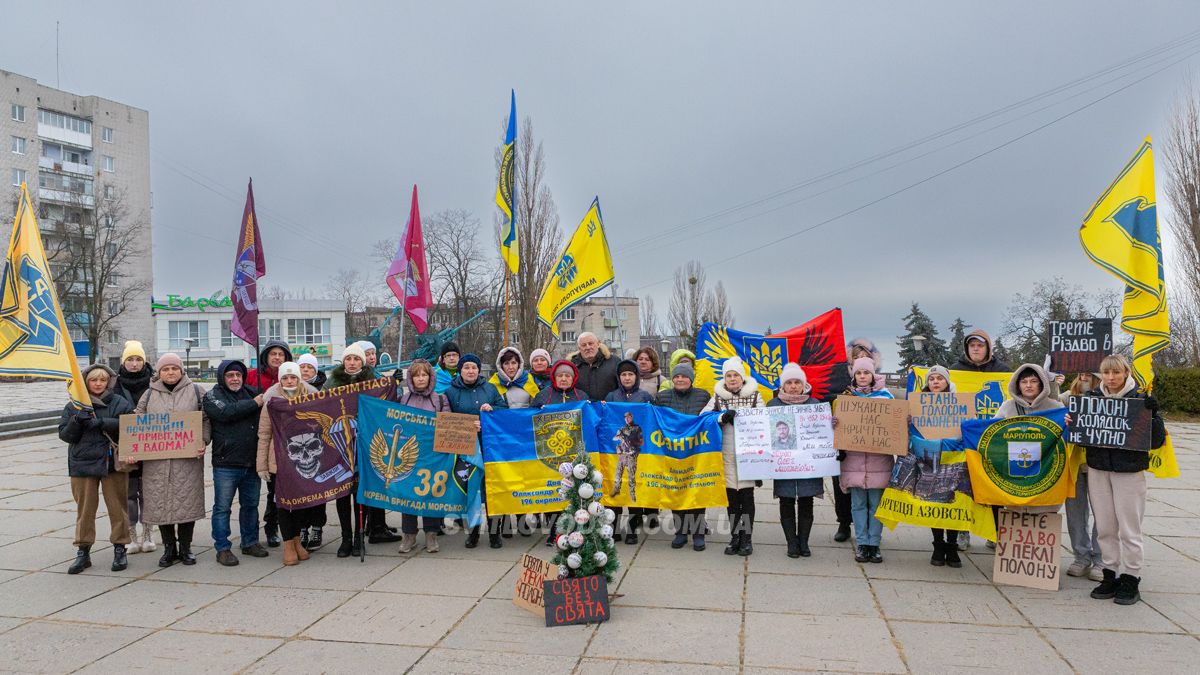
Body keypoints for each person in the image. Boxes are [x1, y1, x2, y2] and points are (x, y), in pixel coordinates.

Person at [1078, 355, 1166, 606]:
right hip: (1098, 469)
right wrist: (1074, 424)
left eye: (1116, 373)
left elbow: (1157, 440)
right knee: (1105, 526)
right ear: (1101, 375)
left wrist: (1154, 414)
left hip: (1129, 471)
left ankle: (1131, 576)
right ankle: (1110, 573)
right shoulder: (1092, 399)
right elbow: (1084, 438)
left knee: (1129, 528)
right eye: (1106, 373)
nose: (1111, 378)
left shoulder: (1139, 399)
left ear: (1126, 373)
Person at [134, 353, 210, 568]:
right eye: (165, 369)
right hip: (156, 461)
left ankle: (186, 547)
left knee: (187, 503)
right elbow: (137, 421)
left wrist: (203, 439)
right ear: (159, 372)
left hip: (187, 460)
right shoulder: (148, 395)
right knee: (161, 504)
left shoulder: (196, 391)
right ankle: (169, 548)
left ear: (181, 370)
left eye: (174, 368)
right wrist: (134, 446)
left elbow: (205, 418)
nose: (170, 373)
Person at [59, 364, 135, 574]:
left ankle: (120, 548)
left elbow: (130, 426)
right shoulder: (74, 405)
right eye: (94, 380)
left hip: (112, 463)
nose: (99, 384)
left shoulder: (120, 402)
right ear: (87, 382)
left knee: (118, 507)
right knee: (85, 510)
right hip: (82, 463)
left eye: (102, 380)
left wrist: (104, 423)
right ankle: (83, 551)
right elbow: (65, 435)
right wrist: (76, 421)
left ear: (109, 381)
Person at [326, 343, 398, 551]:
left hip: (364, 443)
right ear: (344, 361)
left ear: (362, 362)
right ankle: (345, 537)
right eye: (349, 359)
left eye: (356, 359)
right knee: (341, 492)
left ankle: (359, 537)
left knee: (360, 491)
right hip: (340, 446)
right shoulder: (332, 382)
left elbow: (383, 405)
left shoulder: (372, 380)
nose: (352, 362)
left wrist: (394, 383)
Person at [202, 360, 269, 566]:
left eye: (238, 375)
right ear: (222, 377)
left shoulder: (253, 392)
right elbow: (226, 412)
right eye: (230, 375)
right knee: (222, 507)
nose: (235, 379)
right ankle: (222, 547)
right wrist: (254, 403)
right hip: (226, 463)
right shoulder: (212, 395)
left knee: (251, 505)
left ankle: (250, 542)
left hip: (250, 461)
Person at [255, 362, 320, 566]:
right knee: (282, 505)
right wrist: (262, 465)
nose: (289, 381)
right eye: (285, 378)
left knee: (301, 503)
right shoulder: (272, 401)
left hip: (304, 459)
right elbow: (264, 434)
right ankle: (288, 545)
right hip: (279, 461)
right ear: (280, 380)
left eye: (293, 377)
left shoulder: (311, 397)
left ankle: (297, 540)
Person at [703, 356, 766, 556]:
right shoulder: (718, 397)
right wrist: (720, 417)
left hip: (748, 456)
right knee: (731, 500)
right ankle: (735, 537)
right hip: (726, 455)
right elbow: (702, 417)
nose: (732, 379)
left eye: (735, 375)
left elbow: (764, 420)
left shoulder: (755, 396)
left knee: (747, 498)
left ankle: (746, 539)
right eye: (728, 375)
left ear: (742, 376)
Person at [445, 353, 509, 547]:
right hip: (464, 449)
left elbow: (504, 410)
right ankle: (472, 533)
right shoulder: (450, 392)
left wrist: (493, 410)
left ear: (479, 370)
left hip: (489, 446)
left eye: (474, 367)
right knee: (470, 490)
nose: (470, 371)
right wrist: (467, 427)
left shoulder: (490, 389)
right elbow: (446, 421)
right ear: (460, 370)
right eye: (466, 368)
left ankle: (494, 533)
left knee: (491, 490)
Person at [837, 357, 894, 564]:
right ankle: (862, 543)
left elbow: (895, 426)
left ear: (872, 375)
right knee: (858, 504)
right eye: (859, 373)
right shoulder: (846, 399)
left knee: (877, 504)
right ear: (854, 375)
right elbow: (838, 428)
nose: (862, 376)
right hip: (854, 461)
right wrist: (835, 422)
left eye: (866, 373)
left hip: (879, 462)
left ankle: (874, 544)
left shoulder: (886, 398)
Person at [654, 360, 712, 551]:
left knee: (696, 492)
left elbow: (711, 417)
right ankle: (680, 532)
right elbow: (652, 417)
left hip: (696, 452)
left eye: (684, 376)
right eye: (677, 376)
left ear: (691, 379)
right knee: (676, 492)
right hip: (671, 453)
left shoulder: (703, 396)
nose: (680, 379)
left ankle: (697, 533)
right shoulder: (662, 397)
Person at [769, 363, 823, 558]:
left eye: (797, 382)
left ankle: (804, 542)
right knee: (786, 501)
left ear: (804, 384)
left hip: (809, 465)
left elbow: (824, 435)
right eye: (789, 382)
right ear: (783, 386)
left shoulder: (815, 404)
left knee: (807, 502)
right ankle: (792, 543)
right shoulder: (773, 406)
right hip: (784, 465)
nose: (793, 386)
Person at [397, 359, 450, 553]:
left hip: (432, 454)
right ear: (411, 378)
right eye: (416, 375)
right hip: (409, 455)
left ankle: (431, 534)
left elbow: (449, 426)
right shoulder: (404, 399)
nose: (420, 378)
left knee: (431, 493)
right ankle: (409, 535)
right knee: (407, 495)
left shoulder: (440, 399)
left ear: (430, 377)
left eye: (424, 375)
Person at [246, 339, 292, 547]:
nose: (277, 357)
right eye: (273, 354)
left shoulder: (291, 378)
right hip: (256, 436)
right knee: (261, 489)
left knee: (279, 490)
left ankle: (274, 525)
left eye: (281, 354)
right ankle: (260, 529)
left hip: (283, 442)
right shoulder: (252, 377)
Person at [918, 365, 963, 569]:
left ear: (947, 382)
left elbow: (965, 430)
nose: (935, 382)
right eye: (932, 378)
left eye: (940, 378)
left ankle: (952, 545)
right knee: (934, 502)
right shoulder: (919, 403)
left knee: (952, 502)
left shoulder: (960, 403)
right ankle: (938, 545)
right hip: (929, 459)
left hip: (953, 458)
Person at [1059, 372, 1103, 582]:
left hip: (1099, 463)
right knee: (1075, 512)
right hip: (1074, 462)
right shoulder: (1068, 397)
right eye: (1081, 373)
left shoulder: (1109, 396)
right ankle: (1081, 557)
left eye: (1089, 372)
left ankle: (1101, 560)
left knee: (1103, 513)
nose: (1084, 376)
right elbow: (1048, 404)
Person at [605, 360, 654, 544]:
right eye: (624, 374)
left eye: (630, 374)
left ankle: (632, 529)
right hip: (614, 453)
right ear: (619, 377)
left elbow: (651, 421)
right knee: (615, 486)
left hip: (637, 453)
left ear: (637, 377)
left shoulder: (644, 397)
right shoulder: (611, 397)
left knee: (634, 487)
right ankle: (614, 528)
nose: (627, 377)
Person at [115, 340, 154, 555]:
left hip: (151, 446)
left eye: (138, 359)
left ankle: (148, 534)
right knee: (129, 494)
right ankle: (131, 536)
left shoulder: (154, 383)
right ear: (123, 362)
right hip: (126, 447)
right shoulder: (115, 384)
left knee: (147, 493)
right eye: (130, 359)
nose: (134, 363)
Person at [571, 332, 620, 401]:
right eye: (584, 345)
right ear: (579, 348)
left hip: (608, 409)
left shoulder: (614, 362)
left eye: (591, 343)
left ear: (598, 344)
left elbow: (622, 388)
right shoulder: (572, 366)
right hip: (583, 410)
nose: (588, 347)